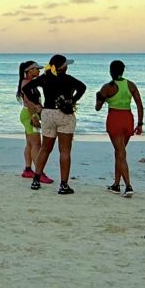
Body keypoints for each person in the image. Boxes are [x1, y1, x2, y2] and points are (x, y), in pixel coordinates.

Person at [20, 55, 85, 195]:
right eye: (66, 65)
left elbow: (26, 89)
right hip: (64, 114)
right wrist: (73, 100)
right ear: (63, 67)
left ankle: (36, 180)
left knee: (45, 148)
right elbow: (82, 87)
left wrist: (37, 104)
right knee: (65, 150)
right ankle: (63, 185)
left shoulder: (45, 78)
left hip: (48, 113)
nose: (67, 67)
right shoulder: (68, 79)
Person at [94, 60, 144, 197]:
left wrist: (98, 97)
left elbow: (97, 108)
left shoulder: (107, 87)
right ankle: (116, 184)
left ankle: (128, 185)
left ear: (110, 71)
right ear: (123, 71)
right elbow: (139, 105)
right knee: (119, 152)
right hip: (128, 118)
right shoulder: (130, 85)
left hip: (115, 118)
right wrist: (140, 124)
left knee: (120, 152)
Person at [16, 60, 51, 183]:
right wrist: (34, 117)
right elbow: (28, 101)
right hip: (30, 114)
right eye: (36, 69)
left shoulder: (28, 82)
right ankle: (39, 173)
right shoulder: (26, 83)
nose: (38, 70)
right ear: (29, 70)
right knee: (37, 144)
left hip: (28, 114)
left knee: (30, 144)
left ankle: (28, 170)